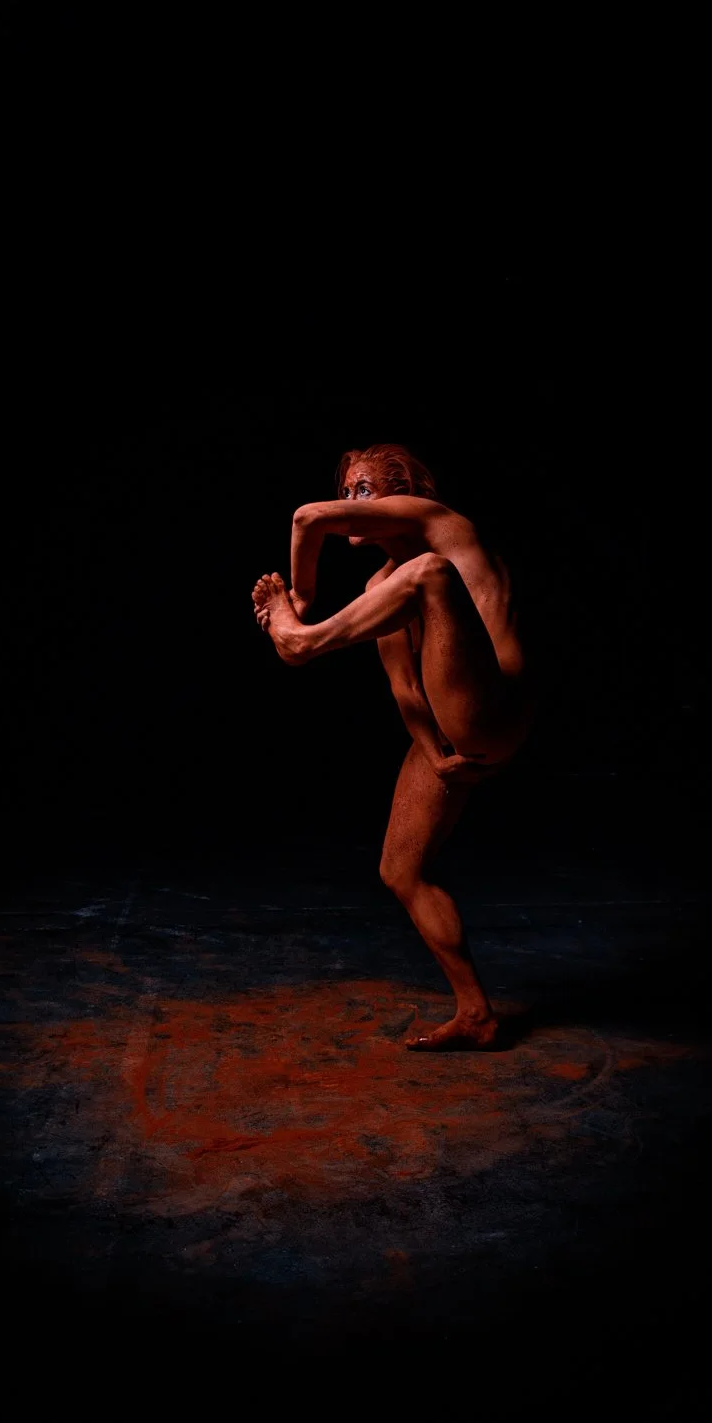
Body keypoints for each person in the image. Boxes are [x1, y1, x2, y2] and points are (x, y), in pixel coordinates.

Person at [251, 444, 534, 1049]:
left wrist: (299, 605)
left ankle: (303, 642)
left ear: (402, 495)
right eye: (346, 490)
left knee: (430, 573)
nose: (349, 503)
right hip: (454, 731)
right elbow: (405, 688)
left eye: (363, 490)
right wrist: (437, 758)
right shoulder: (384, 587)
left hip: (497, 708)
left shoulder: (441, 528)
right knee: (400, 869)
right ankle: (476, 1014)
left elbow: (307, 518)